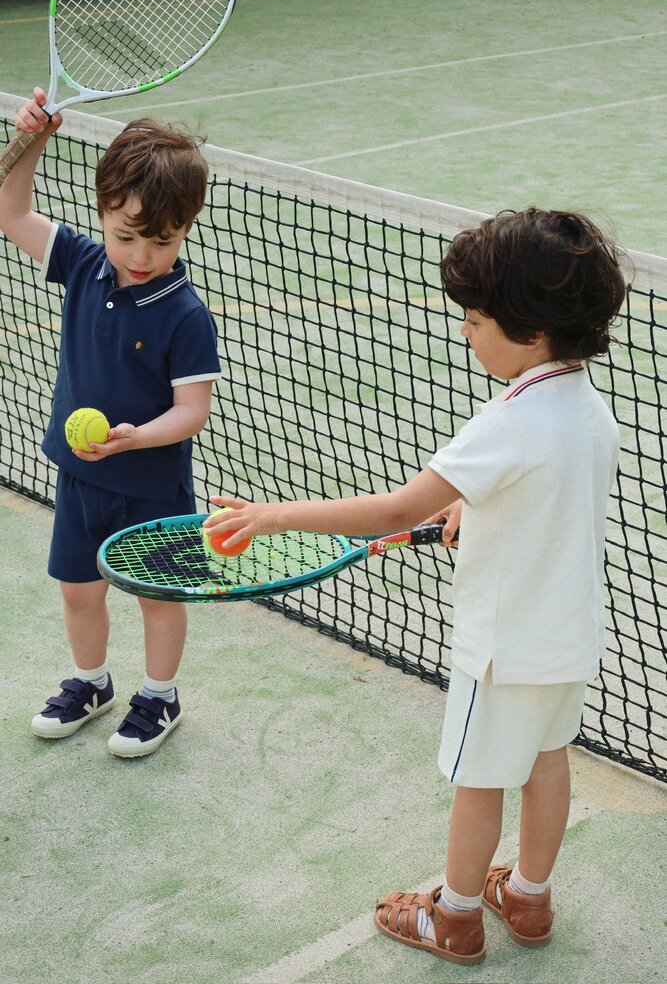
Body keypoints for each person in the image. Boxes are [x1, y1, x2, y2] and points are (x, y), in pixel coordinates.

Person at [204, 208, 625, 964]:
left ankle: (455, 915)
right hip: (567, 637)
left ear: (528, 331)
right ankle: (527, 896)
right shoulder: (590, 411)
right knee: (546, 760)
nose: (465, 330)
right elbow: (544, 492)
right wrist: (473, 499)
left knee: (476, 780)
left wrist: (274, 516)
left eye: (475, 317)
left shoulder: (505, 421)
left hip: (498, 651)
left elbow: (398, 508)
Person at [0, 89, 221, 758]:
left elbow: (193, 412)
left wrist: (138, 436)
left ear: (185, 228)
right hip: (79, 477)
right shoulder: (81, 262)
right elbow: (9, 211)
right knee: (78, 591)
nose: (141, 254)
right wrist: (31, 140)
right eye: (126, 236)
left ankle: (159, 695)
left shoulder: (185, 315)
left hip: (151, 488)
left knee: (157, 598)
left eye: (161, 240)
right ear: (101, 216)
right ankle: (92, 684)